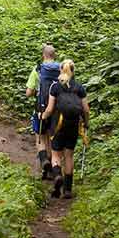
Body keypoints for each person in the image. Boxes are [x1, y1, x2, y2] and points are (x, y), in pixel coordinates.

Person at [41, 59, 89, 199]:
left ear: (61, 70)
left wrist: (43, 116)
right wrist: (86, 123)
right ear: (73, 71)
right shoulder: (79, 87)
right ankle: (67, 190)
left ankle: (57, 176)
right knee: (69, 155)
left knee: (56, 154)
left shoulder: (55, 87)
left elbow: (50, 109)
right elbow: (86, 109)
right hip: (73, 125)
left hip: (58, 125)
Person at [26, 45, 60, 179]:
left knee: (40, 137)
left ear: (43, 55)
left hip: (40, 108)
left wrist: (36, 91)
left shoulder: (38, 70)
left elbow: (28, 93)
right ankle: (52, 169)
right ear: (54, 56)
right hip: (57, 109)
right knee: (51, 138)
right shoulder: (61, 69)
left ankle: (44, 161)